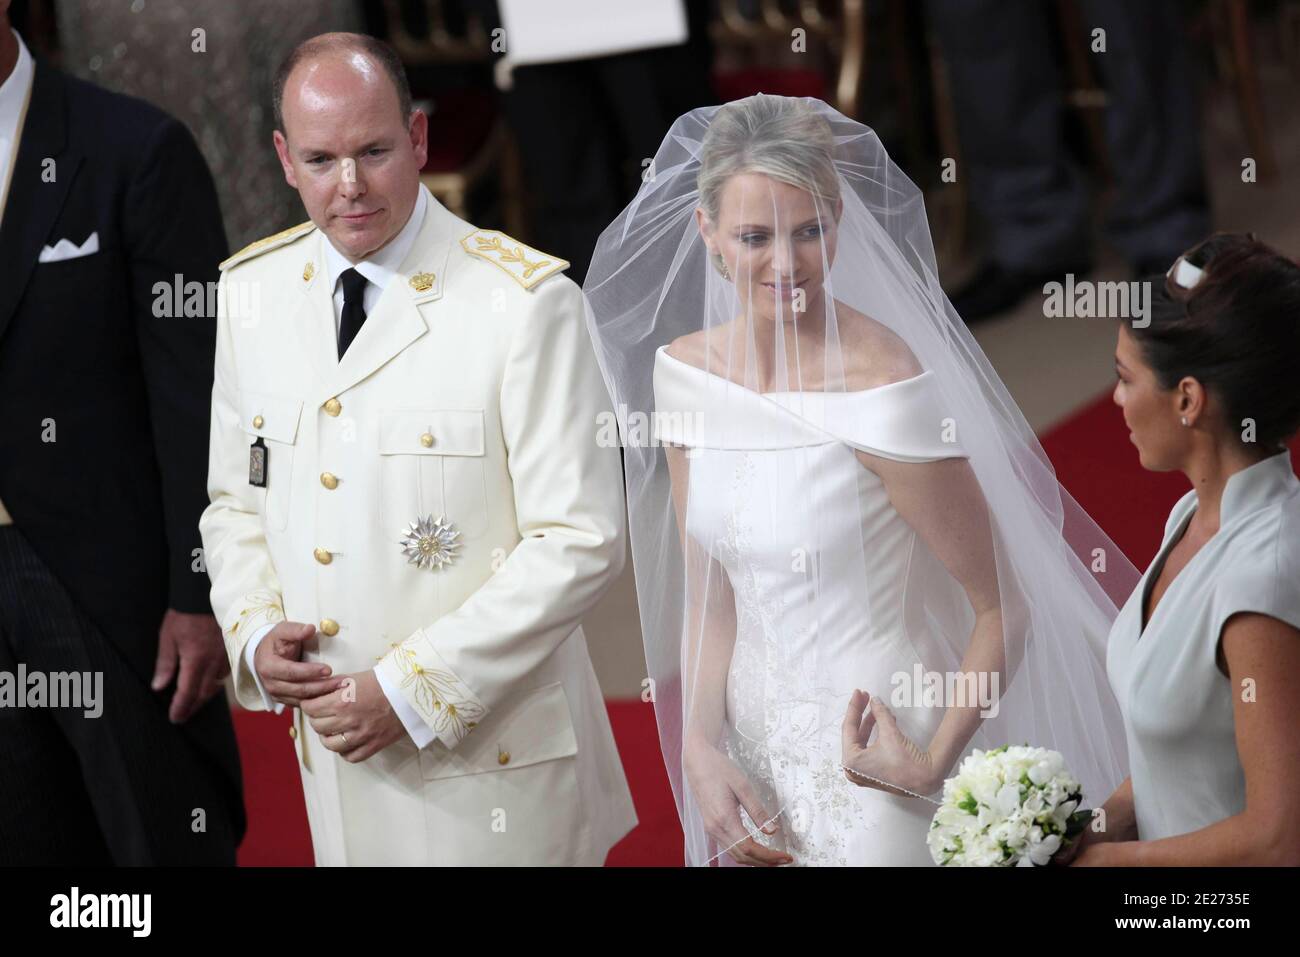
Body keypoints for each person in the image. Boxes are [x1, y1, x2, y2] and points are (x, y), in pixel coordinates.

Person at [583, 93, 1140, 866]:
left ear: (840, 218)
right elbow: (710, 598)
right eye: (754, 236)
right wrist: (700, 750)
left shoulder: (885, 388)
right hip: (750, 766)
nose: (787, 265)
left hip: (879, 763)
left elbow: (1003, 606)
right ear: (706, 231)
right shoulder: (684, 376)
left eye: (810, 230)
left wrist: (932, 760)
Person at [199, 32, 636, 865]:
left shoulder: (523, 303)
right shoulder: (250, 295)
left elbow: (581, 541)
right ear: (285, 160)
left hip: (493, 770)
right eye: (323, 159)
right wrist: (254, 633)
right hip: (336, 769)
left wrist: (408, 690)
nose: (351, 186)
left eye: (374, 150)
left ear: (421, 138)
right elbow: (234, 504)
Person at [0, 6, 243, 864]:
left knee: (155, 838)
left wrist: (198, 589)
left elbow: (196, 394)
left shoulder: (134, 147)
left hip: (107, 585)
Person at [1070, 234, 1300, 865]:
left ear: (1189, 399)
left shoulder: (1262, 581)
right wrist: (1095, 823)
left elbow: (1281, 840)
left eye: (1125, 377)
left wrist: (1114, 864)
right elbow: (1194, 746)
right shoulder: (1191, 513)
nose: (1115, 398)